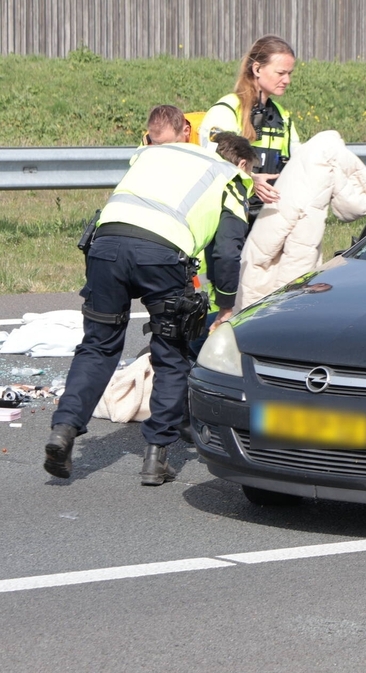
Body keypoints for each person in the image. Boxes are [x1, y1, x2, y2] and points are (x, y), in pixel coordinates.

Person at [44, 108, 257, 486]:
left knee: (97, 346)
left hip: (105, 246)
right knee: (171, 353)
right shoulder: (231, 177)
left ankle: (63, 429)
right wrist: (226, 304)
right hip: (162, 256)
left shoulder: (154, 152)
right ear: (242, 162)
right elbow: (226, 252)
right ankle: (156, 457)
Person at [199, 35, 300, 213]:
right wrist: (251, 179)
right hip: (230, 215)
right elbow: (214, 165)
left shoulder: (282, 116)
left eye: (289, 74)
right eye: (281, 73)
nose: (287, 81)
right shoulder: (227, 109)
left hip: (268, 215)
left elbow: (298, 161)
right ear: (257, 69)